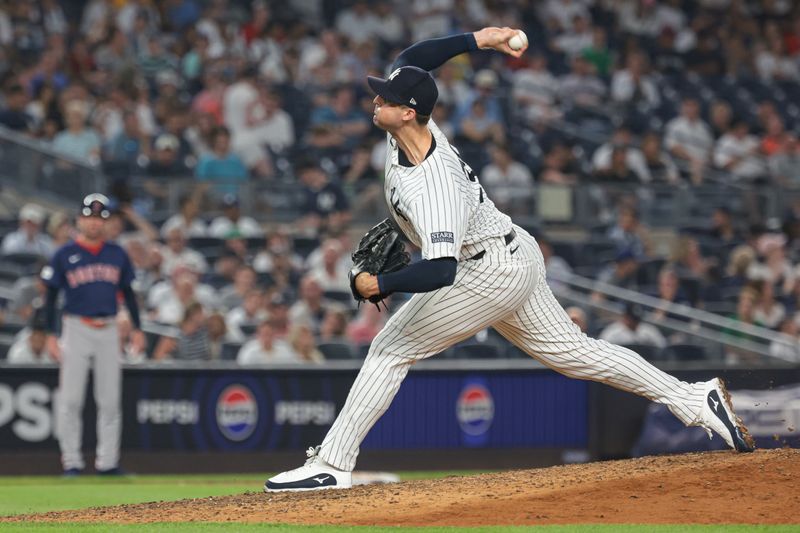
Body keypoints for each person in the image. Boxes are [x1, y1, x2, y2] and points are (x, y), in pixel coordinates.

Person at [265, 26, 754, 493]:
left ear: (409, 113)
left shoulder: (433, 186)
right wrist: (482, 39)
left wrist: (380, 285)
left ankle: (331, 465)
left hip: (486, 270)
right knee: (575, 353)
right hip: (511, 249)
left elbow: (441, 271)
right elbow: (413, 60)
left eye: (385, 99)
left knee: (390, 349)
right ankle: (692, 398)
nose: (375, 101)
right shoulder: (411, 127)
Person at [41, 194, 144, 476]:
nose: (95, 223)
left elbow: (130, 295)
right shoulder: (64, 254)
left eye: (99, 218)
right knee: (71, 400)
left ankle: (108, 463)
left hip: (109, 328)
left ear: (106, 222)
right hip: (75, 326)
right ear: (79, 220)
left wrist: (136, 328)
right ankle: (71, 462)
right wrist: (51, 334)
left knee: (110, 400)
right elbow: (50, 298)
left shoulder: (117, 253)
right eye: (90, 217)